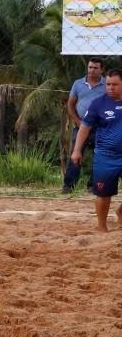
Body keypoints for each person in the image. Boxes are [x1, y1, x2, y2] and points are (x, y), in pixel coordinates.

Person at [72, 69, 122, 232]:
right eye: (108, 84)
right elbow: (85, 128)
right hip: (106, 156)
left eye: (115, 84)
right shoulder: (98, 103)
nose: (110, 87)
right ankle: (102, 227)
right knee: (103, 193)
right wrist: (77, 150)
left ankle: (120, 211)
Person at [63, 58, 105, 193]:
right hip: (81, 126)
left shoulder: (107, 84)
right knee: (75, 154)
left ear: (101, 70)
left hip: (100, 126)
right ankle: (69, 186)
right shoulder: (78, 84)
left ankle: (93, 185)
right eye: (90, 67)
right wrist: (77, 120)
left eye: (95, 68)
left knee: (99, 156)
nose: (92, 70)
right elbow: (70, 104)